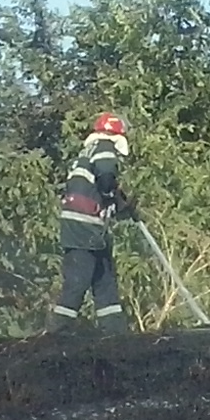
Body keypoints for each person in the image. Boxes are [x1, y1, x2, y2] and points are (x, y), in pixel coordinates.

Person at [52, 114, 135, 329]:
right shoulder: (105, 147)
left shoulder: (87, 153)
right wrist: (110, 195)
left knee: (104, 281)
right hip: (84, 227)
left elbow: (91, 189)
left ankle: (114, 333)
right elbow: (106, 176)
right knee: (77, 281)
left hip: (92, 229)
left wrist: (118, 204)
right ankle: (58, 333)